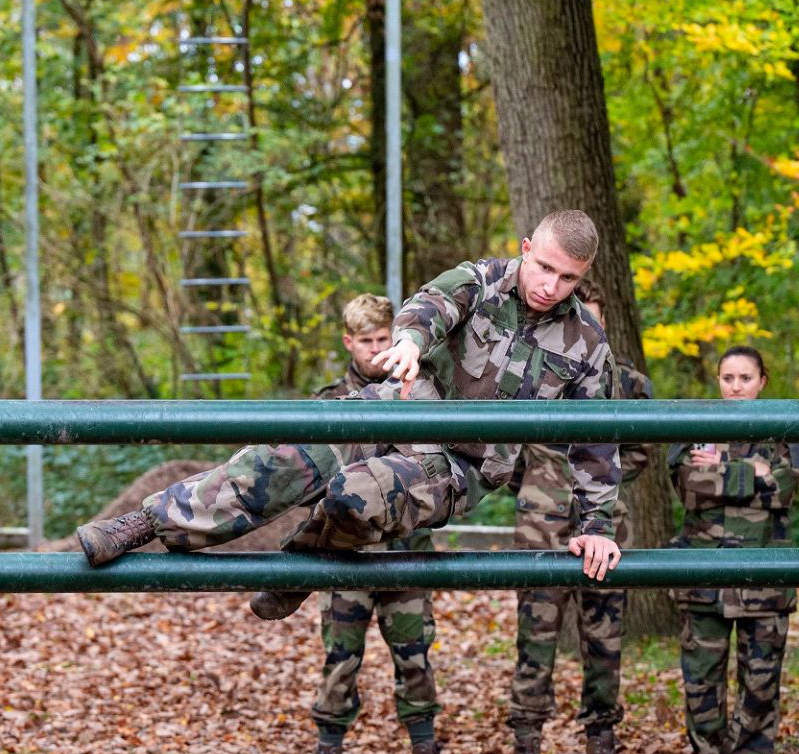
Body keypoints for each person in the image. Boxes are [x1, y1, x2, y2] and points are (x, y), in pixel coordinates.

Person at [73, 207, 623, 616]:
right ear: (526, 247)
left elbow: (597, 442)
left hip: (455, 466)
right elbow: (430, 305)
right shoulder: (480, 281)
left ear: (584, 275)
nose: (551, 286)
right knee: (282, 459)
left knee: (355, 496)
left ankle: (298, 569)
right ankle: (140, 524)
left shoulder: (588, 342)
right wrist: (408, 341)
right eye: (544, 267)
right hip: (400, 411)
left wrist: (597, 525)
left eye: (568, 277)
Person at [294, 295, 460, 754]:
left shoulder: (419, 389)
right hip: (346, 556)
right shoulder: (329, 400)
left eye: (382, 339)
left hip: (407, 551)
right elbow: (307, 474)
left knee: (415, 659)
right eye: (365, 341)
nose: (374, 349)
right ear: (349, 342)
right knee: (339, 660)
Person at [505, 295, 651, 754]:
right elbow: (505, 449)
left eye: (595, 314)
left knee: (605, 643)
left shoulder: (629, 383)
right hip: (540, 524)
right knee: (535, 643)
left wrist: (594, 480)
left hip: (607, 531)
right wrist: (541, 484)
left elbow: (640, 450)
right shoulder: (532, 369)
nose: (586, 322)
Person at [670, 346, 799, 754]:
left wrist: (724, 469)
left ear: (762, 380)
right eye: (728, 377)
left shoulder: (785, 426)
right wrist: (754, 473)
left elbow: (785, 489)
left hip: (763, 575)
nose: (735, 386)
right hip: (704, 574)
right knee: (701, 675)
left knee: (761, 675)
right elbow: (689, 487)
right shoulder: (695, 425)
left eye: (745, 377)